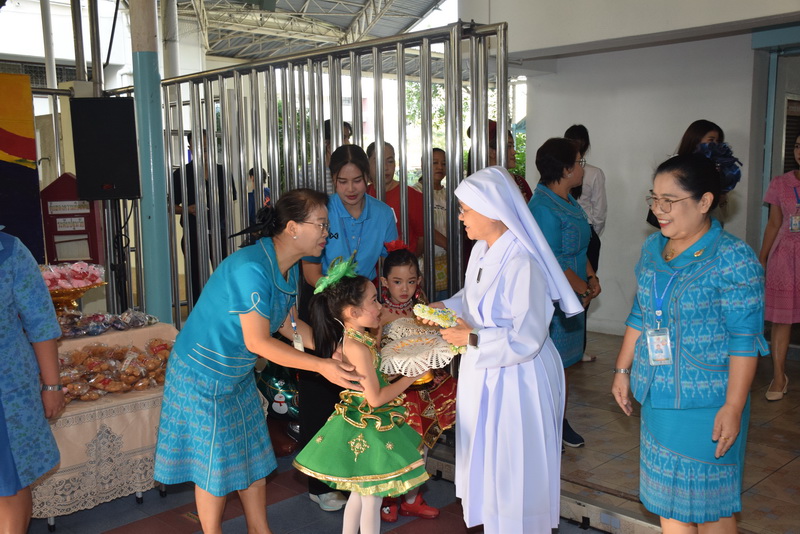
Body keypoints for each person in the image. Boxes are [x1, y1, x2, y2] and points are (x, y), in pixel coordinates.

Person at [154, 189, 365, 534]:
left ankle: (259, 529)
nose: (328, 234)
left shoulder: (286, 266)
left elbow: (288, 323)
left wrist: (333, 349)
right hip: (201, 374)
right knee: (216, 465)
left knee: (252, 456)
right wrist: (321, 366)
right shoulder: (251, 268)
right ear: (293, 228)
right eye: (322, 225)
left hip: (236, 375)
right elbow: (258, 341)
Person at [421, 166, 582, 533]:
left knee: (514, 463)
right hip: (486, 369)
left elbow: (528, 336)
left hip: (519, 377)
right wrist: (443, 309)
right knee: (488, 458)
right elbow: (475, 300)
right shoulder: (482, 250)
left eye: (465, 209)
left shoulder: (524, 263)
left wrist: (473, 338)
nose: (460, 217)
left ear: (492, 210)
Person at [612, 154, 768, 533]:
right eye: (654, 198)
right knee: (670, 506)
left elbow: (744, 340)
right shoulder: (653, 248)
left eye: (669, 201)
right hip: (657, 394)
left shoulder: (733, 258)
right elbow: (641, 312)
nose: (658, 210)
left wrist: (733, 406)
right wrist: (622, 369)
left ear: (704, 202)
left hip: (708, 403)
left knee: (712, 509)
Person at [293, 258, 429, 534]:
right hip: (369, 426)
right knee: (372, 499)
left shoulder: (356, 338)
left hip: (360, 421)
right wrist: (410, 377)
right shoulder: (359, 347)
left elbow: (371, 378)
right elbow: (375, 398)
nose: (380, 307)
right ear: (353, 312)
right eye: (374, 301)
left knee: (359, 494)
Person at [299, 144, 397, 512]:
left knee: (359, 392)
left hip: (362, 311)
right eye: (342, 181)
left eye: (357, 180)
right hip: (323, 307)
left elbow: (390, 264)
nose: (351, 188)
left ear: (368, 179)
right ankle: (319, 483)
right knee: (321, 393)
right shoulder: (322, 212)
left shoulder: (383, 213)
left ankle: (359, 477)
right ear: (333, 181)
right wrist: (340, 300)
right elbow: (311, 271)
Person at [375, 244, 456, 523]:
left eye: (411, 281)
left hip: (426, 389)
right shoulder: (379, 314)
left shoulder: (424, 310)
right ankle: (388, 498)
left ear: (419, 281)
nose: (404, 288)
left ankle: (412, 499)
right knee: (394, 445)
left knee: (423, 445)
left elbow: (437, 344)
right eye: (397, 282)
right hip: (396, 392)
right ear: (384, 282)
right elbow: (374, 352)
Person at [528, 138, 600, 448]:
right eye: (580, 162)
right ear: (566, 169)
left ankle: (559, 419)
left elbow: (579, 246)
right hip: (555, 299)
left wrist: (591, 276)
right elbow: (552, 259)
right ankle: (543, 427)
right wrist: (582, 288)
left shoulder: (568, 200)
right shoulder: (542, 207)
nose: (583, 168)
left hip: (574, 294)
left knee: (564, 366)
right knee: (548, 366)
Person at [0, 227, 65, 534]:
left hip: (7, 391)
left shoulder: (9, 251)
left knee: (9, 483)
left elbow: (40, 322)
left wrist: (52, 385)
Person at [172, 131, 236, 305]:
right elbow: (169, 206)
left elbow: (232, 202)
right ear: (190, 148)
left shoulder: (223, 172)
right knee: (196, 280)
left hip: (220, 235)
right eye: (198, 148)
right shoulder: (181, 175)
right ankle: (198, 313)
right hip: (193, 235)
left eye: (206, 148)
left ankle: (224, 313)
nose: (203, 152)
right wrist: (187, 209)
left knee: (224, 277)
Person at [759, 133, 800, 401]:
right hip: (785, 257)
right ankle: (778, 376)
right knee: (781, 319)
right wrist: (762, 258)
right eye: (797, 146)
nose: (799, 151)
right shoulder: (780, 183)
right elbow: (774, 223)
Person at [366, 141, 446, 257]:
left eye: (390, 161)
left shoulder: (412, 196)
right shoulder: (362, 195)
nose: (386, 167)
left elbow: (422, 238)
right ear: (367, 163)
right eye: (379, 161)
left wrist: (407, 263)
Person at [647, 120, 724, 228]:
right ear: (696, 139)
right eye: (711, 140)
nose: (715, 145)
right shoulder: (677, 165)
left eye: (718, 141)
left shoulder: (716, 166)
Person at [564, 125, 606, 275]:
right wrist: (591, 233)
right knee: (588, 280)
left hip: (565, 230)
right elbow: (600, 212)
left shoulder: (559, 171)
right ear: (587, 146)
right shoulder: (595, 173)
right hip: (586, 230)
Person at [414, 147, 450, 299]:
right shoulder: (415, 192)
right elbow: (423, 225)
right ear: (423, 164)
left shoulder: (450, 194)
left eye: (444, 163)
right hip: (425, 264)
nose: (440, 167)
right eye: (434, 163)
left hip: (449, 264)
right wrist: (449, 245)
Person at [467, 120, 533, 201]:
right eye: (508, 146)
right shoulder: (478, 186)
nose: (514, 152)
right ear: (491, 152)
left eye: (513, 146)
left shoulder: (520, 182)